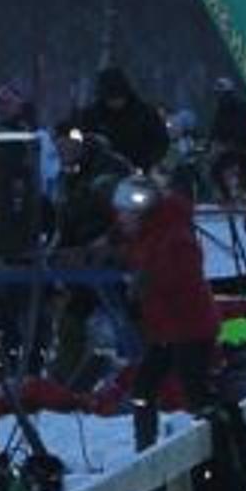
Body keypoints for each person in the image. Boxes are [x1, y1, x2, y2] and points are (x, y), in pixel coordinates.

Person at [118, 173, 222, 451]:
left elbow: (184, 272)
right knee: (144, 387)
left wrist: (148, 282)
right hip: (166, 330)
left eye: (127, 213)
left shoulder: (173, 233)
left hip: (191, 328)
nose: (122, 219)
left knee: (195, 392)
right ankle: (146, 450)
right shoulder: (146, 235)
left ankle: (221, 444)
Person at [76, 65, 170, 176]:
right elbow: (77, 132)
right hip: (100, 175)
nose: (115, 102)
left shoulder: (145, 114)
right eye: (110, 97)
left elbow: (161, 142)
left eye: (118, 96)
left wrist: (147, 163)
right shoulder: (93, 115)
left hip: (137, 174)